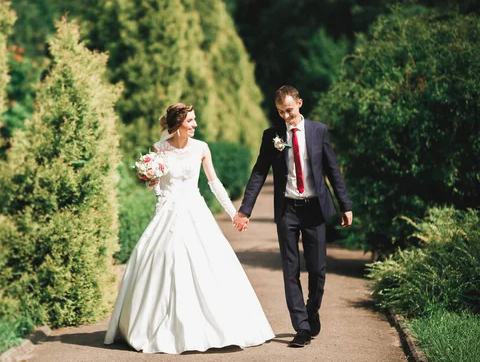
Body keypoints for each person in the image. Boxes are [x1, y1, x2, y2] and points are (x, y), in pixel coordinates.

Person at [104, 103, 274, 354]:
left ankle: (216, 327)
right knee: (162, 260)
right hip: (168, 212)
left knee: (209, 263)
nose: (195, 125)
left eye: (195, 120)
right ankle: (154, 326)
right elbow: (158, 188)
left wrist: (234, 214)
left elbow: (214, 183)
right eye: (190, 121)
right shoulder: (159, 149)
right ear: (177, 125)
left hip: (195, 211)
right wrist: (151, 179)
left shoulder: (202, 148)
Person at [233, 85, 353, 348]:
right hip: (287, 209)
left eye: (288, 111)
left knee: (318, 269)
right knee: (290, 269)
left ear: (299, 103)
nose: (285, 117)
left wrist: (345, 205)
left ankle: (312, 310)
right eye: (280, 112)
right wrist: (245, 209)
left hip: (314, 209)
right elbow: (258, 172)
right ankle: (301, 326)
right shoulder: (272, 136)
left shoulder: (318, 130)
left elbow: (333, 170)